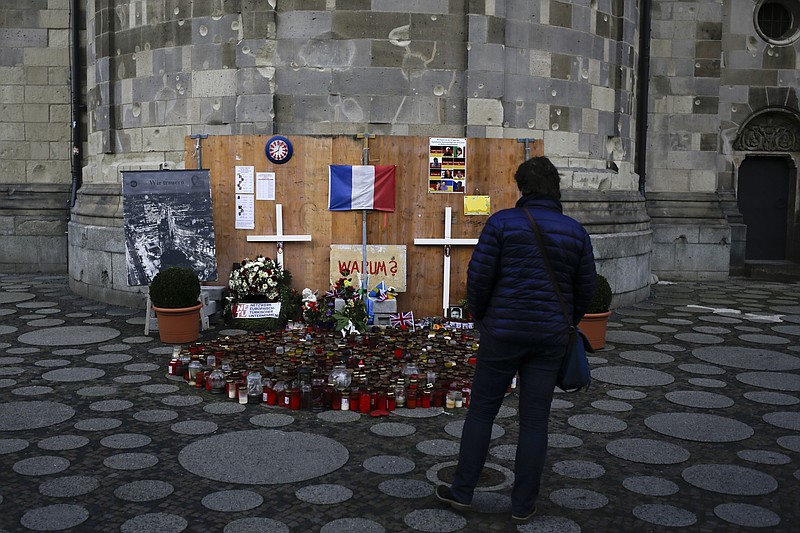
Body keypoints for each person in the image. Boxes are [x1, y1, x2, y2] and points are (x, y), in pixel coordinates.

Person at [435, 156, 596, 524]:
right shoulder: (575, 232)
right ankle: (523, 505)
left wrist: (483, 318)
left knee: (481, 412)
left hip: (503, 333)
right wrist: (567, 321)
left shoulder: (502, 223)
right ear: (556, 189)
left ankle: (462, 492)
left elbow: (478, 278)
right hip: (549, 337)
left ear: (521, 188)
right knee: (535, 420)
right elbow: (585, 288)